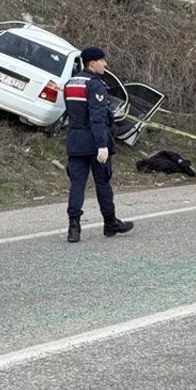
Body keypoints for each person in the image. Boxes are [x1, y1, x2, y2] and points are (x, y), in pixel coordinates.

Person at [63, 46, 132, 243]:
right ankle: (110, 223)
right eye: (102, 60)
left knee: (77, 185)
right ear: (92, 63)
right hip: (94, 143)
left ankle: (73, 228)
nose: (105, 64)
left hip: (75, 142)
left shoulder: (70, 83)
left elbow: (70, 112)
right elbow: (97, 118)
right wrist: (102, 144)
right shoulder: (95, 85)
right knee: (103, 183)